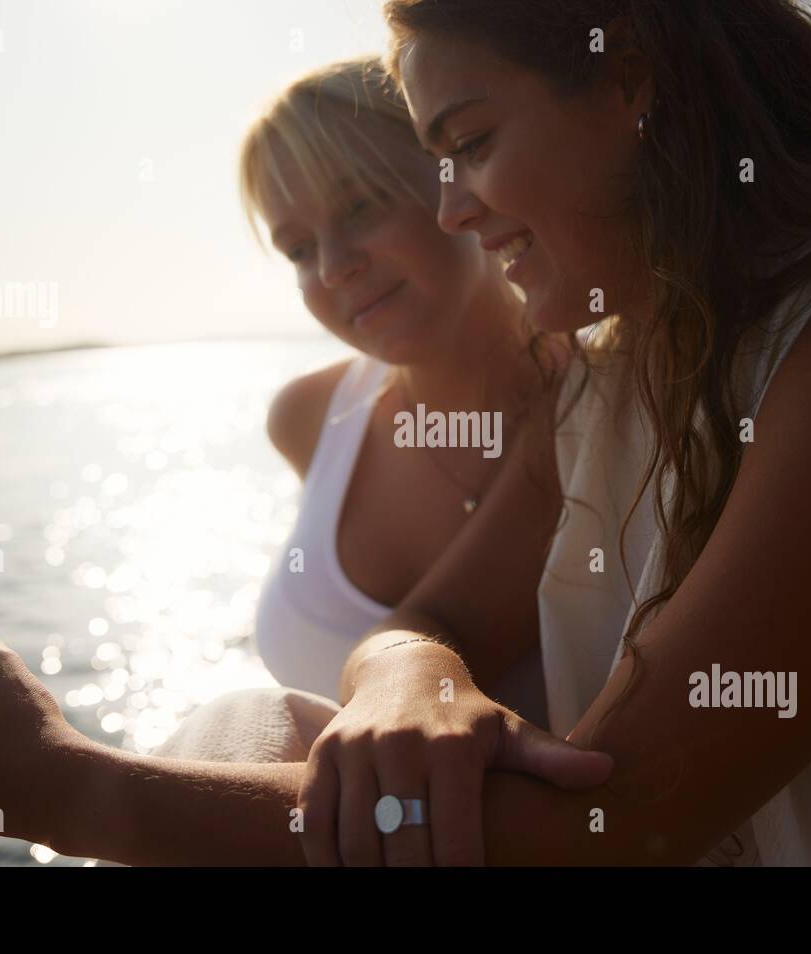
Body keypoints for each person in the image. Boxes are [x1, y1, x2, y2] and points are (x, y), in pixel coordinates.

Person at [0, 1, 811, 867]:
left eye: (468, 142)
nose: (453, 207)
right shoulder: (626, 368)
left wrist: (64, 784)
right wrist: (411, 679)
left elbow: (609, 831)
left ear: (632, 79)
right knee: (261, 722)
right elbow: (433, 621)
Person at [145, 58, 550, 771]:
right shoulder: (309, 417)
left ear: (460, 176)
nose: (332, 266)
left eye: (360, 204)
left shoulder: (597, 395)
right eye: (298, 248)